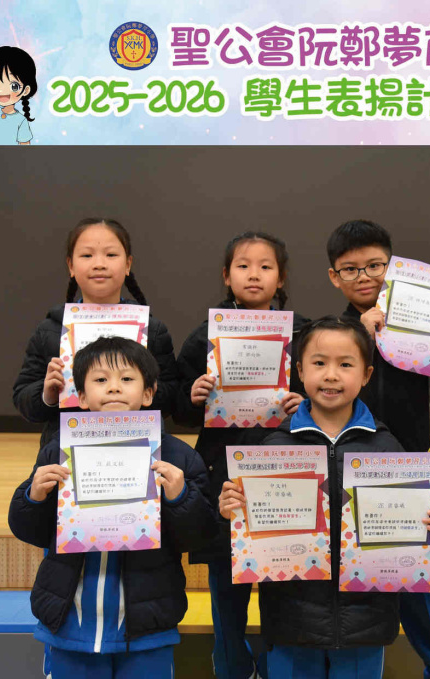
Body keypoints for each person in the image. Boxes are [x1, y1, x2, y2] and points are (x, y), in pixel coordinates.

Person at [219, 315, 430, 679]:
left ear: (367, 375)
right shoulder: (272, 449)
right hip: (291, 621)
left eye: (345, 364)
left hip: (366, 624)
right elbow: (245, 541)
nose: (331, 375)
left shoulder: (388, 448)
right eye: (319, 363)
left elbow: (420, 537)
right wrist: (231, 512)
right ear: (300, 371)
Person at [8, 336, 217, 677]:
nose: (114, 387)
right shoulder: (59, 452)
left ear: (148, 393)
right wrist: (34, 497)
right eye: (101, 379)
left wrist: (181, 497)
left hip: (147, 626)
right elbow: (29, 530)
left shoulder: (177, 457)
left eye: (127, 378)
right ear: (82, 396)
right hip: (69, 622)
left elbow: (200, 535)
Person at [326, 219, 430, 678]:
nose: (364, 277)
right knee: (357, 613)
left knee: (427, 610)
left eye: (375, 266)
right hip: (346, 489)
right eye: (351, 269)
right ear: (334, 277)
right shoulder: (328, 336)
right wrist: (358, 336)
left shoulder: (419, 326)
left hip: (410, 483)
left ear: (393, 267)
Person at [174, 231, 308, 679]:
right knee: (225, 579)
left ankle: (275, 667)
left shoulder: (303, 333)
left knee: (280, 581)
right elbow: (177, 406)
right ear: (226, 275)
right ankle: (230, 663)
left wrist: (305, 405)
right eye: (243, 265)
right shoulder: (205, 337)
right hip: (222, 476)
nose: (254, 274)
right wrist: (192, 396)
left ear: (281, 278)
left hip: (284, 474)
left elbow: (326, 393)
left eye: (266, 266)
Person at [12, 218, 180, 452]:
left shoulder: (152, 330)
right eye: (87, 255)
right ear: (71, 266)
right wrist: (47, 393)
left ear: (128, 264)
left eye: (111, 255)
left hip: (137, 450)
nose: (99, 264)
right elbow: (22, 397)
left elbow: (172, 397)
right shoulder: (50, 330)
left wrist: (143, 388)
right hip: (67, 452)